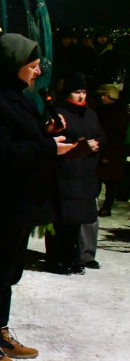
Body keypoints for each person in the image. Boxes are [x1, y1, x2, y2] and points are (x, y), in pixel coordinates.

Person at [0, 33, 85, 361]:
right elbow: (0, 153)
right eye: (32, 66)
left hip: (25, 198)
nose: (36, 73)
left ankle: (0, 331)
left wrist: (46, 132)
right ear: (14, 66)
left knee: (11, 270)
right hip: (5, 199)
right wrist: (49, 149)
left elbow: (23, 139)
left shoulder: (17, 96)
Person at [44, 72, 101, 274]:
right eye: (77, 92)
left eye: (84, 92)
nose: (81, 96)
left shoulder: (90, 114)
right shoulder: (59, 113)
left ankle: (72, 255)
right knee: (61, 219)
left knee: (76, 220)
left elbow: (98, 135)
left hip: (84, 173)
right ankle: (56, 258)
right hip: (65, 172)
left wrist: (95, 145)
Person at [96, 84, 128, 217]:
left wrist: (109, 155)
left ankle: (106, 207)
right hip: (104, 149)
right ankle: (97, 205)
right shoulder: (104, 110)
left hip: (112, 152)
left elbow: (118, 137)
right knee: (99, 179)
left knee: (111, 182)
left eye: (104, 95)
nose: (102, 98)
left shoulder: (119, 114)